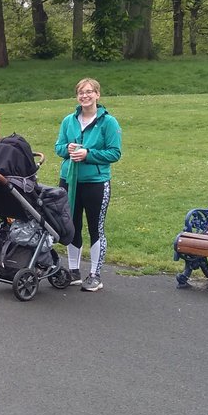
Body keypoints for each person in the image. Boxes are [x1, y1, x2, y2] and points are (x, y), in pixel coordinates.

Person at [55, 78, 122, 292]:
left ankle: (95, 274)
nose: (85, 96)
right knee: (71, 225)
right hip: (69, 181)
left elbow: (114, 152)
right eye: (81, 93)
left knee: (96, 227)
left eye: (89, 92)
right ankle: (73, 270)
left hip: (96, 183)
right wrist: (69, 148)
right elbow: (58, 147)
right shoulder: (69, 120)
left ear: (97, 95)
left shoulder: (108, 122)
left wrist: (88, 154)